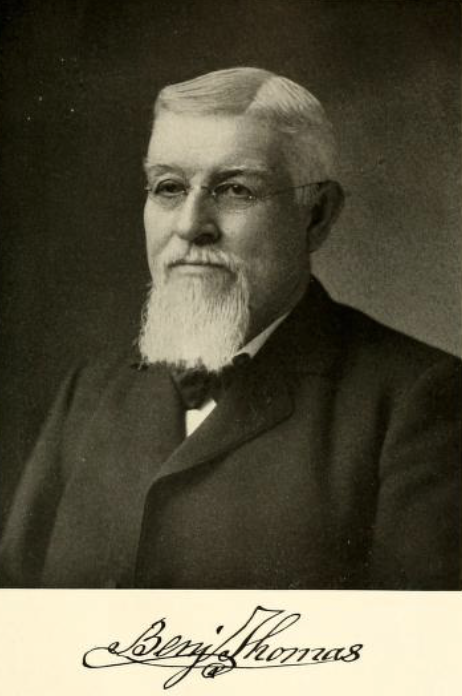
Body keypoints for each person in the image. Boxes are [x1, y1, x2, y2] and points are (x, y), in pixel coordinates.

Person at [0, 67, 460, 590]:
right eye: (168, 187)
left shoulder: (417, 404)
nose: (190, 224)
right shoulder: (88, 393)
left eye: (236, 189)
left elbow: (419, 640)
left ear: (317, 215)